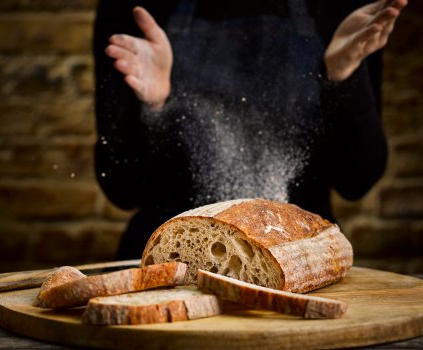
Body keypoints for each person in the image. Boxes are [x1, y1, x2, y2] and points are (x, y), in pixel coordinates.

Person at [93, 0, 407, 259]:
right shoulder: (136, 9)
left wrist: (343, 77)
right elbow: (122, 188)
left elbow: (357, 180)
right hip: (167, 260)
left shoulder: (340, 11)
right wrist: (155, 108)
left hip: (300, 258)